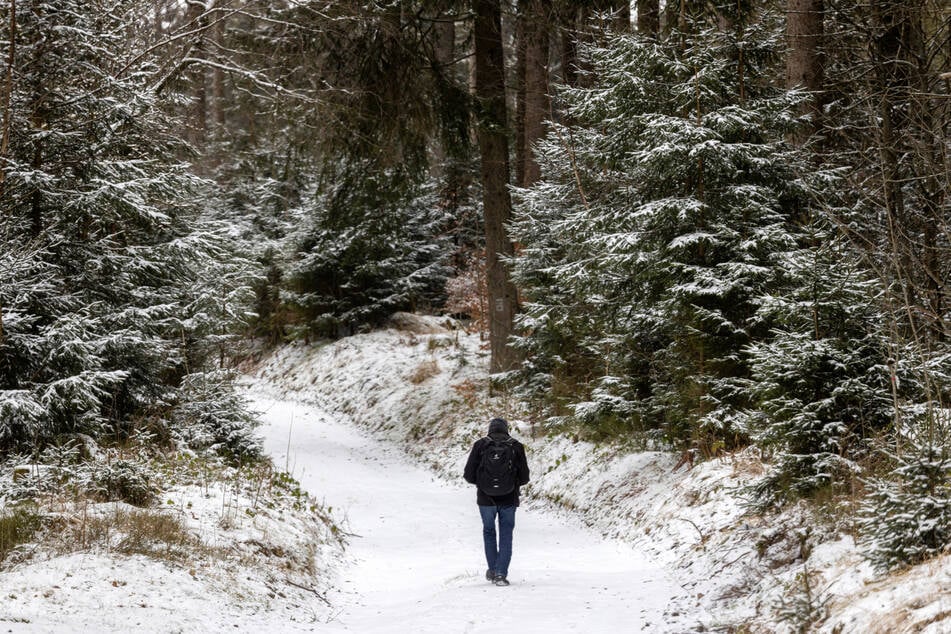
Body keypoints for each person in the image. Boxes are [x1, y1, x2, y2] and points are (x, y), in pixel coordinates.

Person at [463, 417, 530, 586]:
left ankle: (492, 570)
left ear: (490, 429)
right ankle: (501, 574)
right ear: (507, 429)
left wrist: (483, 483)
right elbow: (524, 477)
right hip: (509, 499)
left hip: (486, 499)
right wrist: (511, 484)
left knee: (489, 532)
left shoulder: (480, 445)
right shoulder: (516, 446)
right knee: (506, 534)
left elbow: (468, 474)